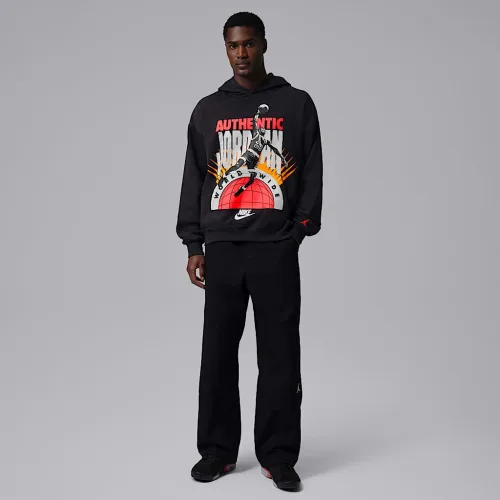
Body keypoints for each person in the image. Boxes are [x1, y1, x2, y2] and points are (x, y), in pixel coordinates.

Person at [175, 11, 323, 492]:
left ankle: (278, 456)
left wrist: (298, 230)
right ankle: (217, 452)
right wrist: (194, 243)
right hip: (221, 248)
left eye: (249, 44)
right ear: (226, 48)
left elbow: (312, 170)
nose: (241, 53)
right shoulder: (207, 110)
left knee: (279, 355)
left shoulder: (296, 104)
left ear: (263, 44)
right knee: (218, 353)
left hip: (275, 248)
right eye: (233, 45)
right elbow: (194, 177)